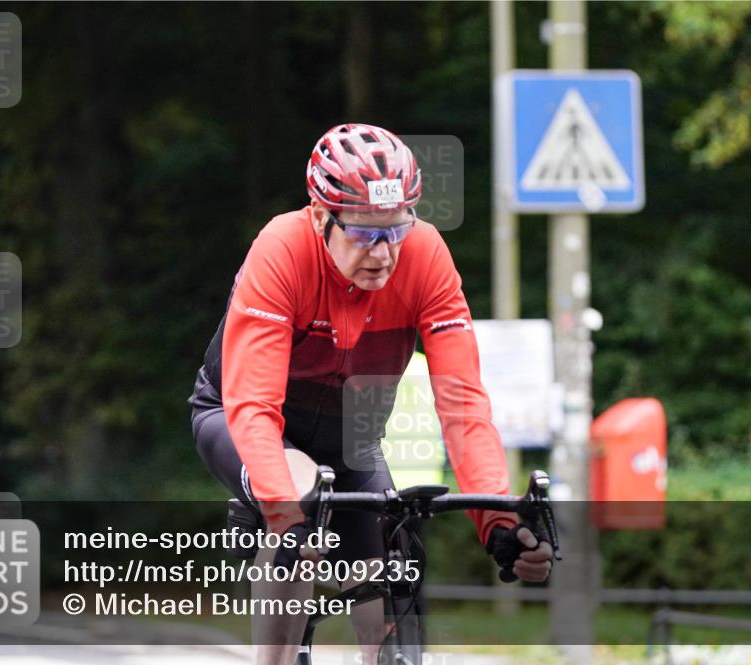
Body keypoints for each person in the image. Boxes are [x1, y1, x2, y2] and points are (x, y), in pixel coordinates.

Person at [189, 123, 552, 665]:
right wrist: (286, 518)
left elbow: (464, 408)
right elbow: (255, 407)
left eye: (396, 229)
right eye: (363, 232)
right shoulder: (282, 249)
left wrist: (498, 520)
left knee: (392, 577)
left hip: (352, 440)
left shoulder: (426, 257)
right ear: (320, 218)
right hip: (242, 419)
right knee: (299, 496)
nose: (383, 253)